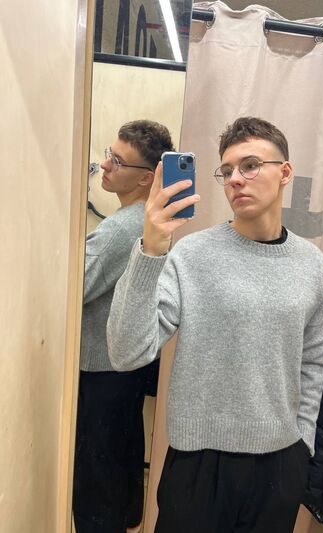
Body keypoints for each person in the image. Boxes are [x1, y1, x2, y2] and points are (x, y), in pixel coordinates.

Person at [107, 117, 323, 532]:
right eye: (227, 170)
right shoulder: (191, 255)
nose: (235, 179)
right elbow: (126, 353)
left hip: (279, 465)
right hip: (197, 465)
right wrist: (150, 249)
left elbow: (314, 363)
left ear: (284, 172)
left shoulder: (314, 267)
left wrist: (302, 444)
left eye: (250, 165)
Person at [73, 120, 175, 533]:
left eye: (117, 161)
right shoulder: (148, 222)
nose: (104, 165)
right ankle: (128, 519)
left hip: (102, 371)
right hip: (126, 368)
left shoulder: (122, 229)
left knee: (96, 480)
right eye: (109, 154)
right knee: (120, 458)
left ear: (146, 178)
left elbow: (71, 290)